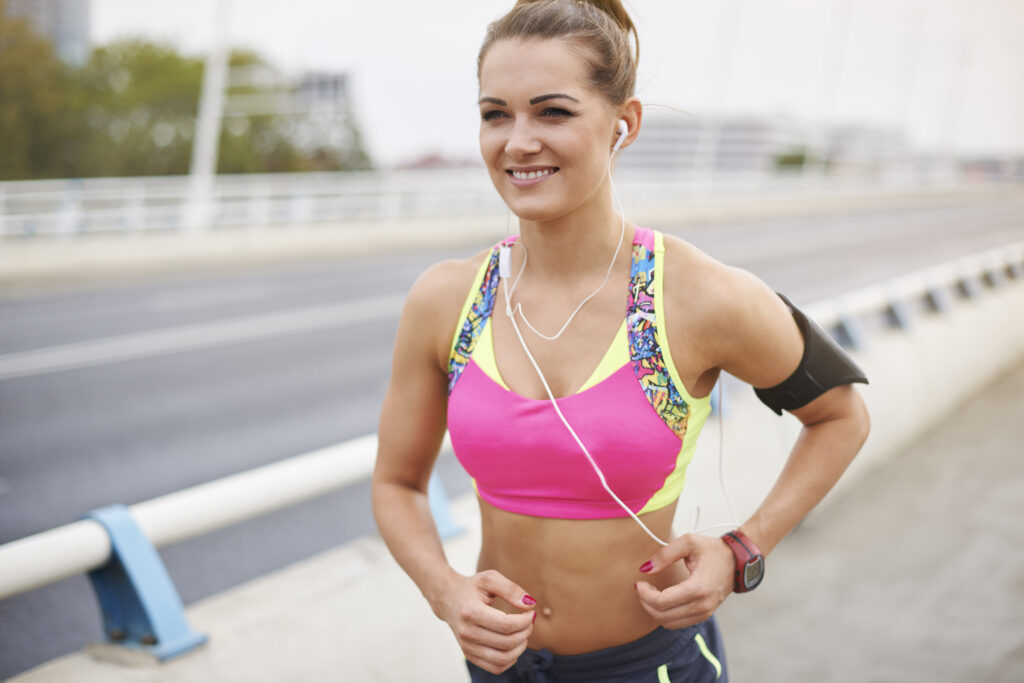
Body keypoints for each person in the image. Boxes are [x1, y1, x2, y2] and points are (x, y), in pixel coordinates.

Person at [371, 1, 871, 680]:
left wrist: (741, 549)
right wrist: (445, 590)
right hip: (498, 670)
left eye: (553, 112)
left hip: (648, 665)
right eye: (496, 113)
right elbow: (398, 482)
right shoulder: (446, 299)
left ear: (623, 123)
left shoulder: (697, 296)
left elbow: (841, 413)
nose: (518, 141)